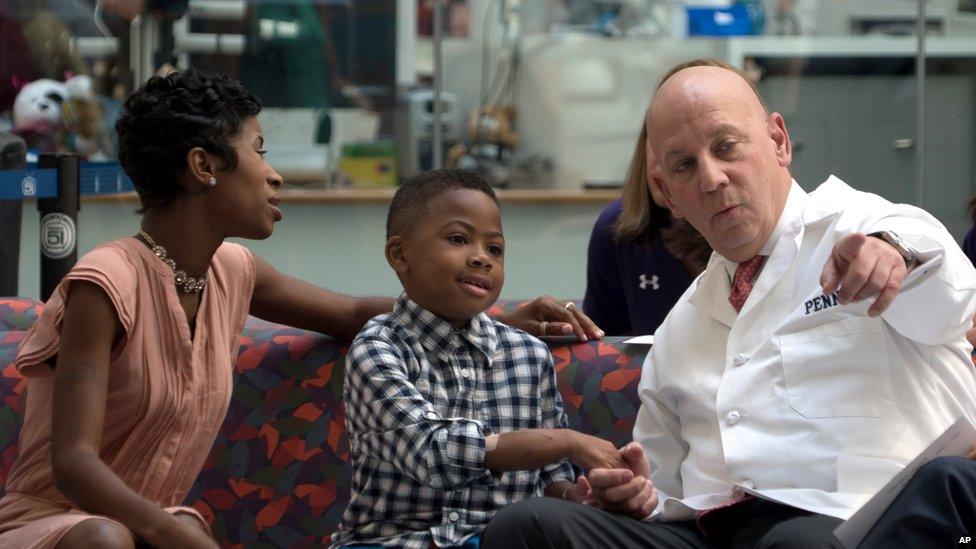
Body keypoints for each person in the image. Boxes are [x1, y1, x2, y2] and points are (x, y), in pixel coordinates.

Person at [0, 70, 598, 549]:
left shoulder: (232, 269)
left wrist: (489, 319)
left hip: (156, 529)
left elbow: (352, 311)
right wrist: (168, 532)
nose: (275, 174)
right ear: (204, 167)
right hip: (67, 525)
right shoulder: (104, 283)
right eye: (259, 150)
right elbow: (73, 463)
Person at [481, 59, 976, 548]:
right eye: (684, 165)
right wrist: (637, 497)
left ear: (778, 142)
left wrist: (895, 256)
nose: (711, 178)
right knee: (529, 528)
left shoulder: (871, 226)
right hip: (711, 530)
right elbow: (665, 488)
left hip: (857, 519)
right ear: (666, 193)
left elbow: (951, 299)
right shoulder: (683, 324)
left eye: (726, 147)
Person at [331, 169, 624, 548]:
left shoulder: (528, 354)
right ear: (400, 255)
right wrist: (565, 440)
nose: (482, 259)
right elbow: (432, 455)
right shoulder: (378, 348)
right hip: (394, 541)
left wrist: (579, 497)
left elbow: (552, 477)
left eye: (495, 249)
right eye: (458, 239)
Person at [583, 121, 710, 336]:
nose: (662, 159)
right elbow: (601, 350)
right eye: (657, 139)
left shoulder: (750, 227)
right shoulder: (615, 227)